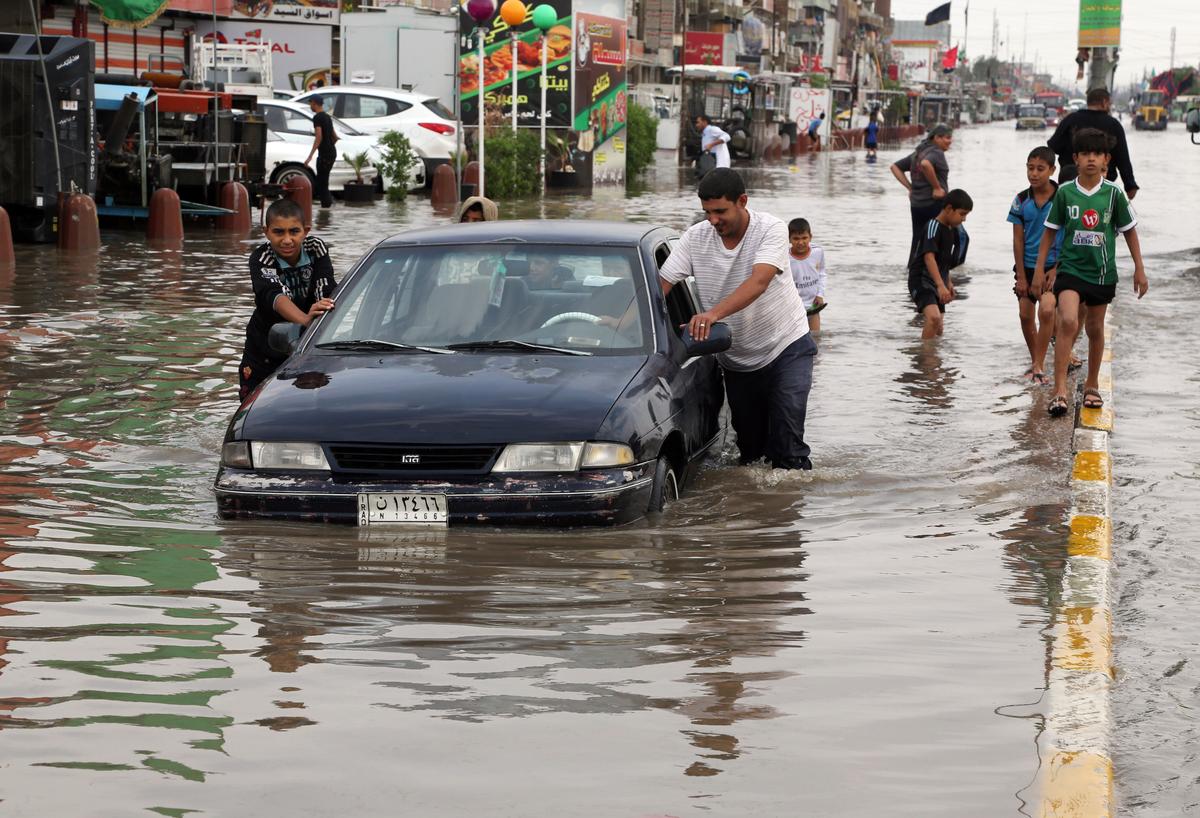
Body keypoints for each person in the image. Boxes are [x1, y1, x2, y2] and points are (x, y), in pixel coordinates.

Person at [659, 168, 817, 470]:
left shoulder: (771, 229)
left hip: (787, 347)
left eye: (720, 211)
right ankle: (754, 515)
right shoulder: (695, 238)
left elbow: (759, 281)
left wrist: (711, 315)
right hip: (737, 362)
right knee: (751, 455)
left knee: (788, 446)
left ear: (742, 201)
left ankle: (791, 511)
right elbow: (660, 286)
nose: (713, 220)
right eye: (707, 212)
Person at [1033, 127, 1147, 418]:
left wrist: (1139, 269)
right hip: (1070, 269)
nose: (1091, 160)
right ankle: (1059, 390)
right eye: (1085, 154)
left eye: (1096, 154)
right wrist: (1038, 270)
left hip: (1102, 273)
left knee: (1095, 329)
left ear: (1106, 160)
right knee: (1068, 321)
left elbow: (1130, 232)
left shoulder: (1113, 194)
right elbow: (1049, 234)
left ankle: (1092, 386)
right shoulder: (1066, 193)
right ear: (1076, 158)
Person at [238, 198, 337, 402]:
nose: (287, 240)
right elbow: (274, 295)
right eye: (278, 232)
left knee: (310, 403)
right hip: (263, 351)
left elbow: (325, 288)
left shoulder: (316, 248)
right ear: (266, 232)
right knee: (255, 408)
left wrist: (318, 320)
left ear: (306, 230)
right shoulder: (261, 258)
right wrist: (305, 320)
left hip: (308, 345)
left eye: (294, 231)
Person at [1007, 146, 1063, 385]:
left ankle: (1041, 363)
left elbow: (1070, 236)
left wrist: (1057, 268)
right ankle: (1036, 361)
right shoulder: (1021, 200)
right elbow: (1017, 240)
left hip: (1053, 267)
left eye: (1040, 169)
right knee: (1025, 315)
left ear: (1052, 170)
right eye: (1030, 168)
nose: (1034, 174)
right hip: (1026, 268)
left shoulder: (1062, 197)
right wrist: (1021, 275)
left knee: (1048, 309)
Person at [1047, 87, 1138, 199]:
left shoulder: (1070, 120)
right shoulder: (1113, 125)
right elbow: (1123, 159)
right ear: (1104, 102)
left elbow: (1053, 147)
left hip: (1070, 186)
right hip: (1103, 188)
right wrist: (1130, 185)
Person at [908, 188, 972, 340]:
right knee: (934, 318)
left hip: (937, 280)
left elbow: (943, 261)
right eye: (962, 214)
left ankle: (929, 356)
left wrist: (948, 282)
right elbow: (929, 258)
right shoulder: (933, 226)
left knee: (939, 329)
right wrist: (940, 286)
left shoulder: (951, 230)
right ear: (949, 208)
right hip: (921, 280)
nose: (964, 219)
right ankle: (924, 358)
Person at [891, 123, 953, 263]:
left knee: (918, 240)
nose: (950, 141)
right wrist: (937, 187)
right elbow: (925, 164)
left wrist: (910, 188)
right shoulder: (936, 153)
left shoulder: (918, 153)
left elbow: (895, 167)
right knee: (937, 241)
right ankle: (937, 276)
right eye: (947, 138)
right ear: (936, 138)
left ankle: (912, 272)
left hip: (917, 205)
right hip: (934, 205)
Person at [787, 218, 827, 332]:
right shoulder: (784, 257)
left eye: (804, 238)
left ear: (810, 237)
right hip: (792, 308)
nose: (800, 242)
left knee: (816, 339)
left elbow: (822, 273)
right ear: (789, 239)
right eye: (796, 238)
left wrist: (820, 294)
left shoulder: (818, 251)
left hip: (813, 306)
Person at [304, 95, 338, 209]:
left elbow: (319, 136)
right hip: (332, 152)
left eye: (311, 103)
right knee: (324, 180)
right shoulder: (327, 117)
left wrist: (310, 156)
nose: (310, 106)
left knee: (321, 183)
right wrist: (329, 146)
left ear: (314, 103)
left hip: (325, 154)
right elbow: (335, 136)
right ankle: (327, 206)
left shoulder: (317, 117)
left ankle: (326, 208)